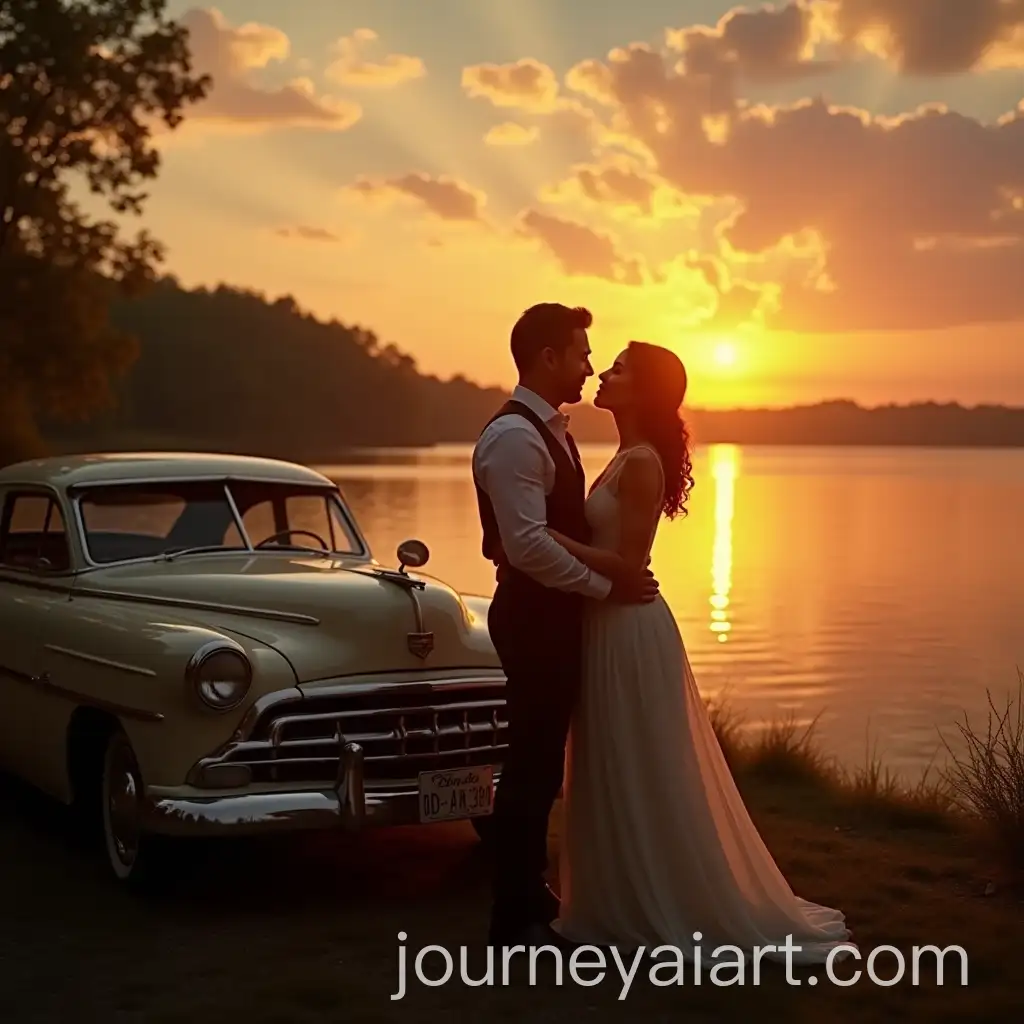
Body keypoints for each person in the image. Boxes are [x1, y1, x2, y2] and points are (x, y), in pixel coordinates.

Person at [544, 340, 855, 962]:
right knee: (610, 764)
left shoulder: (642, 464)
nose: (605, 372)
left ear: (647, 389)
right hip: (605, 626)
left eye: (620, 369)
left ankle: (664, 899)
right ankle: (613, 899)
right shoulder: (621, 457)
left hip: (629, 631)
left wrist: (547, 539)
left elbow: (629, 565)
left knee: (641, 764)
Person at [472, 304, 660, 950]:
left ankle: (529, 894)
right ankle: (514, 918)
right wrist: (606, 586)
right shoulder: (516, 438)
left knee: (542, 764)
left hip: (553, 616)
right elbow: (526, 546)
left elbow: (555, 533)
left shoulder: (551, 431)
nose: (588, 365)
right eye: (580, 354)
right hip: (531, 615)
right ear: (547, 358)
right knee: (530, 766)